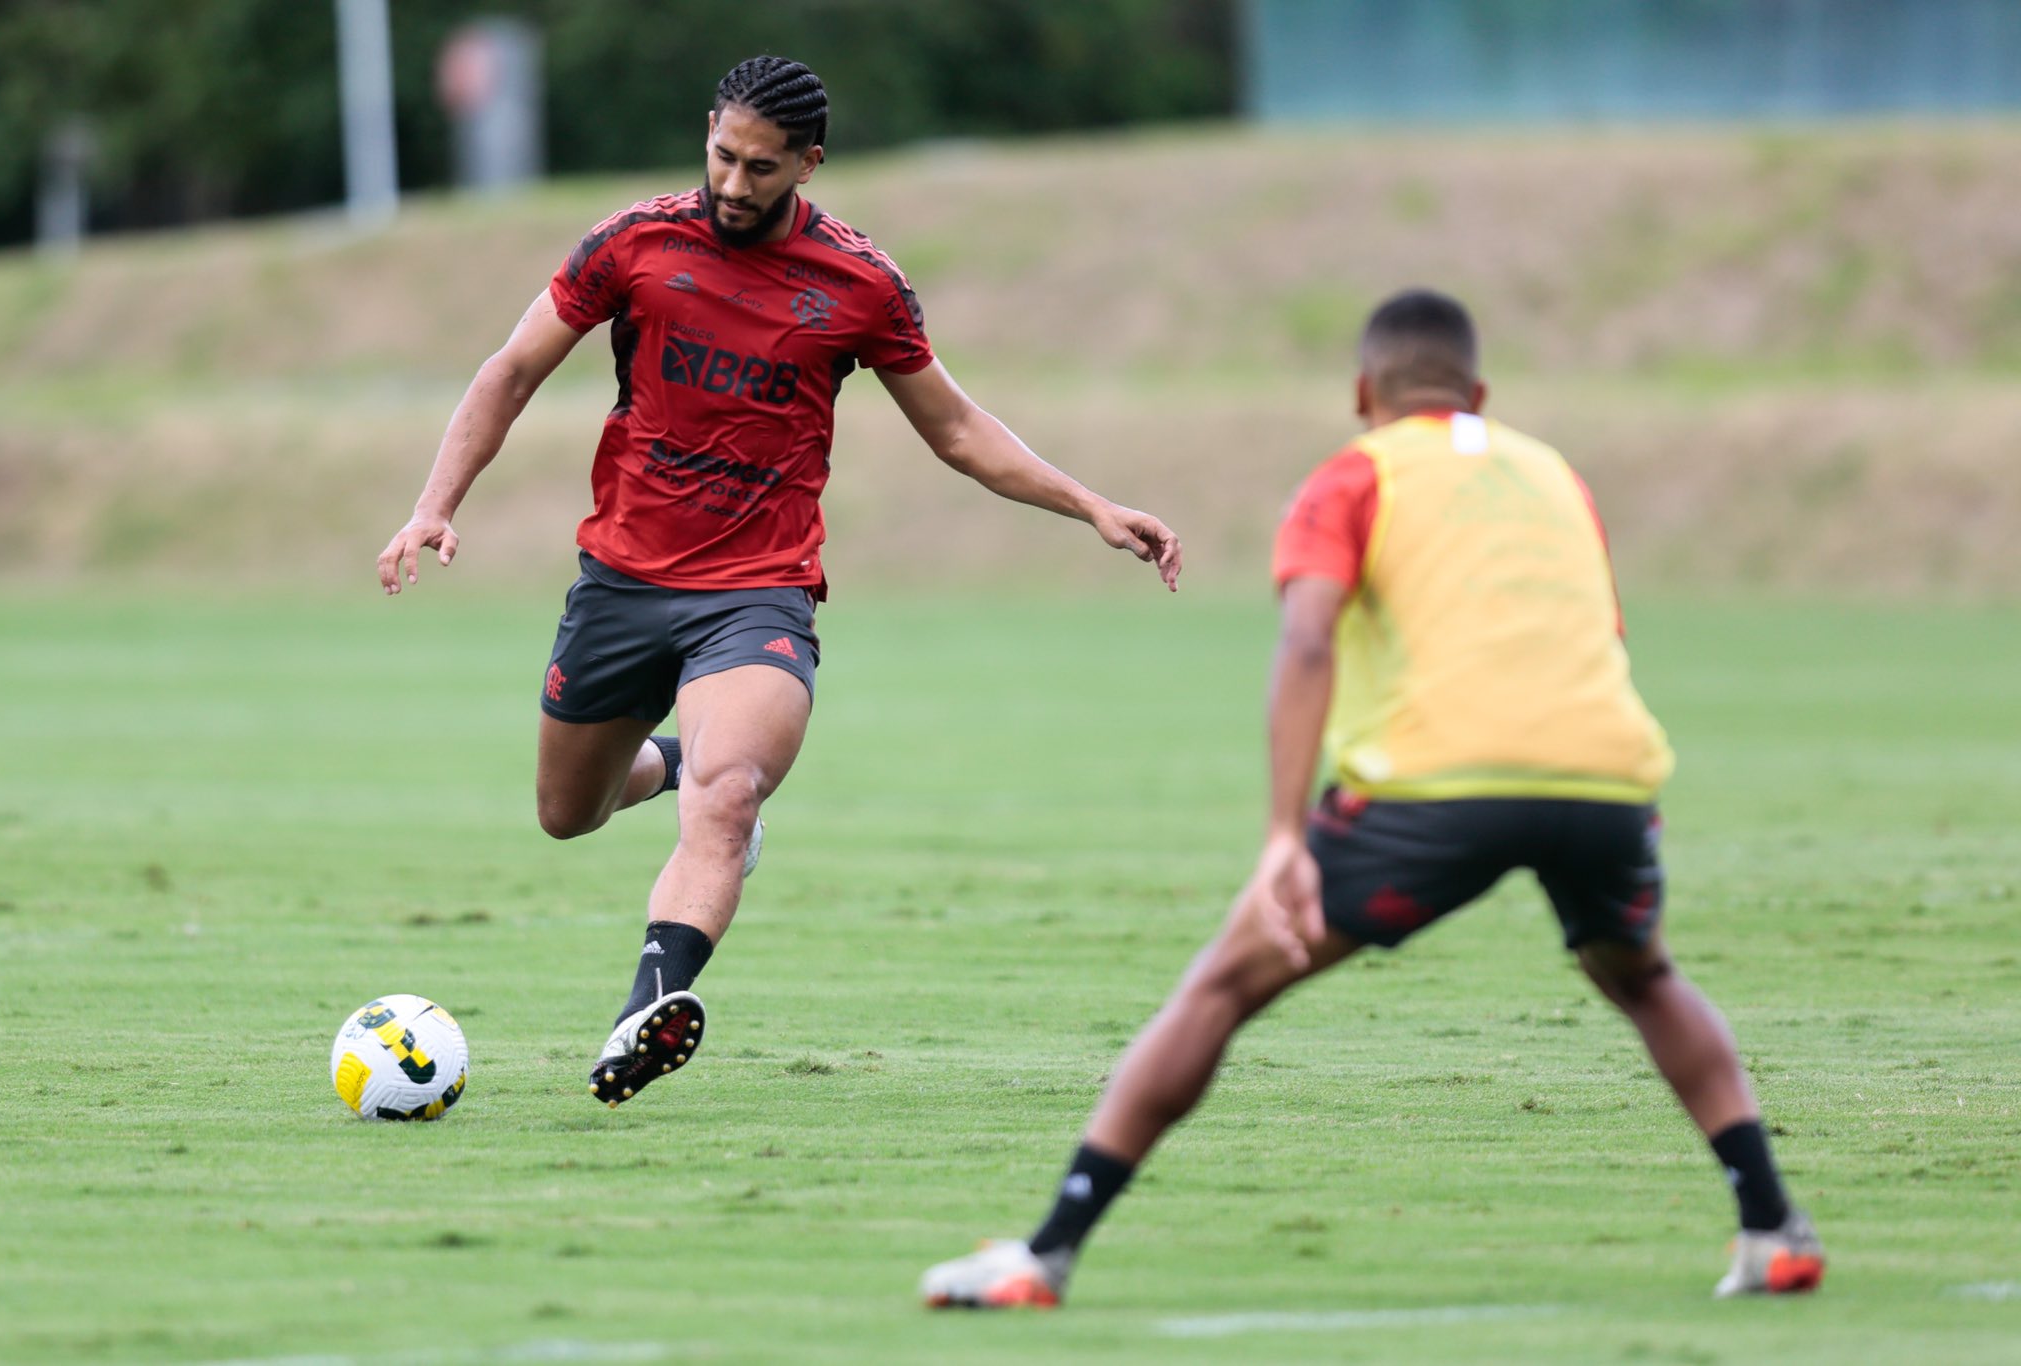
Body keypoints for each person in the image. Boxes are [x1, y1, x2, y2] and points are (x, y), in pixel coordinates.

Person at [920, 289, 1823, 1307]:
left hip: (1439, 790)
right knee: (1644, 977)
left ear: (1363, 393)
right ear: (1478, 393)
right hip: (1603, 776)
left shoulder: (1352, 476)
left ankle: (1045, 1252)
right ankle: (1772, 1230)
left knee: (1220, 987)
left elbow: (1307, 640)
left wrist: (1281, 834)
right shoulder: (1552, 473)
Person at [376, 55, 1181, 1108]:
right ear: (707, 132)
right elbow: (511, 371)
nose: (733, 183)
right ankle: (680, 766)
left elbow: (956, 430)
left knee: (728, 795)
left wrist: (1090, 505)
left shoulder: (858, 283)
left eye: (761, 167)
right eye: (722, 156)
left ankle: (645, 1008)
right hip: (621, 582)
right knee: (567, 811)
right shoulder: (635, 243)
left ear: (809, 163)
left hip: (756, 592)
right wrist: (435, 503)